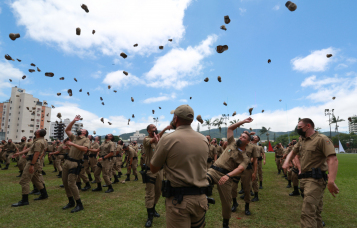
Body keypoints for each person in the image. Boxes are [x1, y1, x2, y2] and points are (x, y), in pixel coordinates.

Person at [150, 104, 211, 228]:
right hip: (200, 198)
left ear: (175, 118)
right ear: (192, 120)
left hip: (179, 200)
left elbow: (154, 168)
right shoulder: (203, 139)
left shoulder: (168, 138)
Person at [283, 118, 339, 228]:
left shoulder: (321, 139)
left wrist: (331, 181)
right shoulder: (302, 140)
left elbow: (332, 159)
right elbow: (293, 152)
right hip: (304, 179)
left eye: (300, 127)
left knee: (307, 214)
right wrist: (286, 162)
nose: (298, 129)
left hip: (315, 180)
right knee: (315, 213)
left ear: (308, 126)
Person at [207, 118, 252, 228]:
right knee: (204, 180)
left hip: (226, 177)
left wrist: (228, 175)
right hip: (214, 170)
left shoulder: (245, 157)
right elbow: (230, 128)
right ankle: (204, 198)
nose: (241, 138)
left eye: (244, 137)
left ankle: (225, 224)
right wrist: (243, 121)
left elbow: (240, 169)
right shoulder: (232, 143)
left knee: (227, 204)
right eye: (241, 136)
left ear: (248, 142)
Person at [142, 124, 171, 227]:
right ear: (149, 131)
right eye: (153, 128)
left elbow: (158, 138)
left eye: (155, 127)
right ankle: (150, 217)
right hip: (150, 171)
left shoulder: (159, 139)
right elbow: (153, 140)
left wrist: (165, 130)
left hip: (160, 171)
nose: (155, 128)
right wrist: (164, 129)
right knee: (150, 193)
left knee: (158, 192)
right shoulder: (146, 140)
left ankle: (153, 209)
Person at [11, 129, 48, 207]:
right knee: (35, 179)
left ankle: (24, 200)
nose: (35, 131)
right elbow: (30, 149)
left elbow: (36, 153)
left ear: (38, 133)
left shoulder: (38, 142)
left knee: (24, 180)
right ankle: (44, 194)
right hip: (34, 162)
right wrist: (19, 153)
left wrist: (31, 165)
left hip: (32, 162)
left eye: (37, 130)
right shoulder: (41, 140)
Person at [61, 115, 90, 213]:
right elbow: (67, 130)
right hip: (67, 161)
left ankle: (79, 204)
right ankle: (71, 201)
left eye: (82, 129)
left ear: (84, 133)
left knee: (71, 183)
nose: (80, 129)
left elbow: (85, 149)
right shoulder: (74, 137)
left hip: (75, 163)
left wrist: (72, 144)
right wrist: (74, 120)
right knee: (65, 182)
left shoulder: (86, 139)